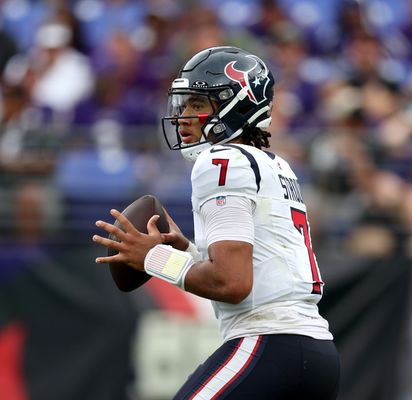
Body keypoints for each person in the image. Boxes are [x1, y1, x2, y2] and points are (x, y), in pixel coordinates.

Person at [92, 46, 340, 400]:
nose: (184, 116)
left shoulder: (220, 160)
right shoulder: (275, 165)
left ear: (236, 104)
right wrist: (191, 253)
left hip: (269, 342)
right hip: (315, 353)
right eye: (185, 104)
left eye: (198, 104)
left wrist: (152, 258)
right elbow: (255, 270)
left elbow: (232, 283)